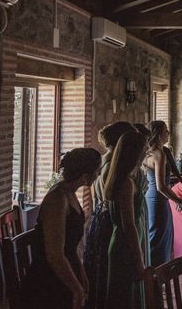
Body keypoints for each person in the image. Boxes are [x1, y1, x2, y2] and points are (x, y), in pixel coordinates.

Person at [20, 148, 102, 309]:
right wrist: (76, 289)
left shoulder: (69, 193)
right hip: (48, 278)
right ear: (85, 176)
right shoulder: (57, 199)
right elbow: (54, 255)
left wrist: (80, 270)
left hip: (66, 267)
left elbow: (70, 247)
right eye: (97, 171)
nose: (99, 175)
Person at [84, 121, 134, 309]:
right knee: (107, 270)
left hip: (98, 217)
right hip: (109, 222)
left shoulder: (104, 159)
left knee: (99, 268)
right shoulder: (115, 166)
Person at [104, 131, 148, 309]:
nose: (146, 152)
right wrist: (138, 258)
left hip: (125, 239)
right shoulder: (126, 184)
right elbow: (128, 225)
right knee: (126, 295)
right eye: (143, 149)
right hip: (125, 244)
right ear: (134, 153)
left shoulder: (122, 178)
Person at [142, 120, 182, 267]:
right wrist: (179, 201)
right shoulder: (158, 154)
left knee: (157, 233)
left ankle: (154, 271)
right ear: (157, 134)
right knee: (158, 235)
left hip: (151, 197)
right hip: (158, 199)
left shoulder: (147, 153)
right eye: (165, 131)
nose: (168, 133)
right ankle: (156, 271)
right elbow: (161, 187)